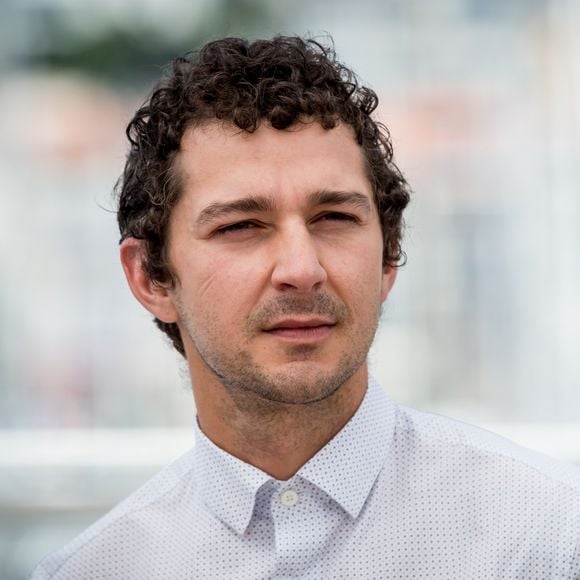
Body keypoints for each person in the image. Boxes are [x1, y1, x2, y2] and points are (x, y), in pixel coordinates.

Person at [32, 35, 580, 580]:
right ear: (151, 278)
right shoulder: (93, 570)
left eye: (334, 218)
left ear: (388, 257)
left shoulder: (550, 539)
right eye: (241, 226)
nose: (302, 268)